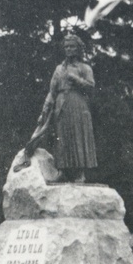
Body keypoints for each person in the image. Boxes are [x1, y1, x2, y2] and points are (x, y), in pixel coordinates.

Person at [26, 33, 97, 183]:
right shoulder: (59, 69)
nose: (69, 49)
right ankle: (63, 171)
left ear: (78, 49)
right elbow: (52, 92)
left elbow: (91, 87)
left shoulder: (85, 68)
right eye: (66, 47)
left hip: (78, 104)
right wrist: (44, 111)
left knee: (78, 136)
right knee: (62, 138)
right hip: (61, 105)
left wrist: (76, 79)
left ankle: (79, 173)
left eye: (72, 46)